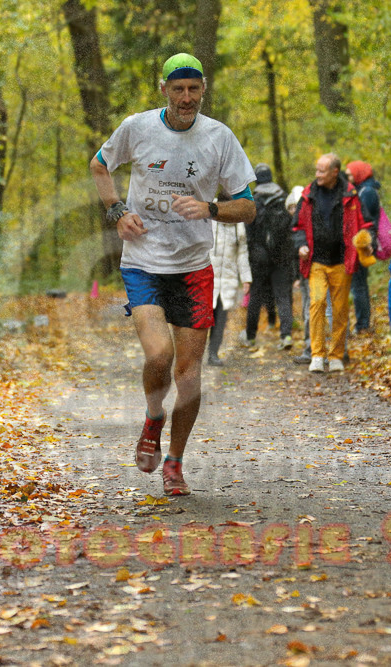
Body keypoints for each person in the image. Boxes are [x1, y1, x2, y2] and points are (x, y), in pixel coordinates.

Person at [89, 52, 256, 496]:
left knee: (188, 375)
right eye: (178, 89)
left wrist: (211, 208)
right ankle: (152, 416)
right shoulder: (137, 128)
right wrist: (117, 210)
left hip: (193, 268)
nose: (186, 98)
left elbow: (248, 205)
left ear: (204, 89)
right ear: (162, 89)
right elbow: (99, 164)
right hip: (143, 261)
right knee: (158, 356)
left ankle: (175, 462)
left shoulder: (219, 138)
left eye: (194, 89)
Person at [292, 153, 371, 374]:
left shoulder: (350, 195)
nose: (317, 174)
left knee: (340, 309)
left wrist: (366, 240)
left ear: (334, 172)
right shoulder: (308, 194)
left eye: (322, 171)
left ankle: (336, 355)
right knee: (316, 304)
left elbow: (366, 224)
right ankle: (317, 355)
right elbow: (296, 226)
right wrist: (300, 245)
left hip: (342, 262)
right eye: (317, 170)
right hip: (316, 260)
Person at [243, 163, 295, 350]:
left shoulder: (253, 201)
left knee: (255, 296)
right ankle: (286, 336)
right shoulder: (283, 198)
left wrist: (250, 256)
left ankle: (250, 338)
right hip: (281, 256)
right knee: (282, 295)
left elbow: (248, 232)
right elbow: (290, 228)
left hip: (259, 258)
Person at [207, 200, 252, 366]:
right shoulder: (207, 216)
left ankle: (213, 353)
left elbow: (242, 252)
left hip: (228, 278)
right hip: (207, 276)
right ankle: (194, 353)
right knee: (202, 317)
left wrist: (246, 278)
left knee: (220, 317)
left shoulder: (238, 224)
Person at [345, 161, 380, 335]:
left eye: (350, 174)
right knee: (360, 285)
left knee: (358, 285)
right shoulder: (366, 190)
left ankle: (362, 324)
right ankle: (363, 322)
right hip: (364, 242)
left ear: (359, 174)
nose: (348, 178)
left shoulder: (365, 193)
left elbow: (362, 219)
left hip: (362, 243)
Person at [286, 186, 311, 364]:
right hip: (302, 271)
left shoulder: (309, 218)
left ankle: (315, 350)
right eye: (292, 207)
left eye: (297, 206)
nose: (295, 210)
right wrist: (296, 276)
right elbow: (293, 253)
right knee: (306, 310)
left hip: (314, 268)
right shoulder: (293, 226)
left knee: (315, 310)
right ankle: (311, 348)